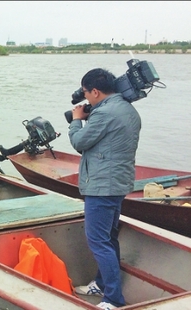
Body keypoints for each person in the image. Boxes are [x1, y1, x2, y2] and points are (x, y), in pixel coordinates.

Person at [69, 68, 141, 310]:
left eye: (87, 93)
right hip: (117, 183)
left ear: (96, 91)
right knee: (108, 237)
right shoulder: (127, 109)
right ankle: (101, 284)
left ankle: (113, 299)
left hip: (102, 186)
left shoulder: (104, 114)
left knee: (98, 241)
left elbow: (79, 142)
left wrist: (77, 120)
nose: (85, 98)